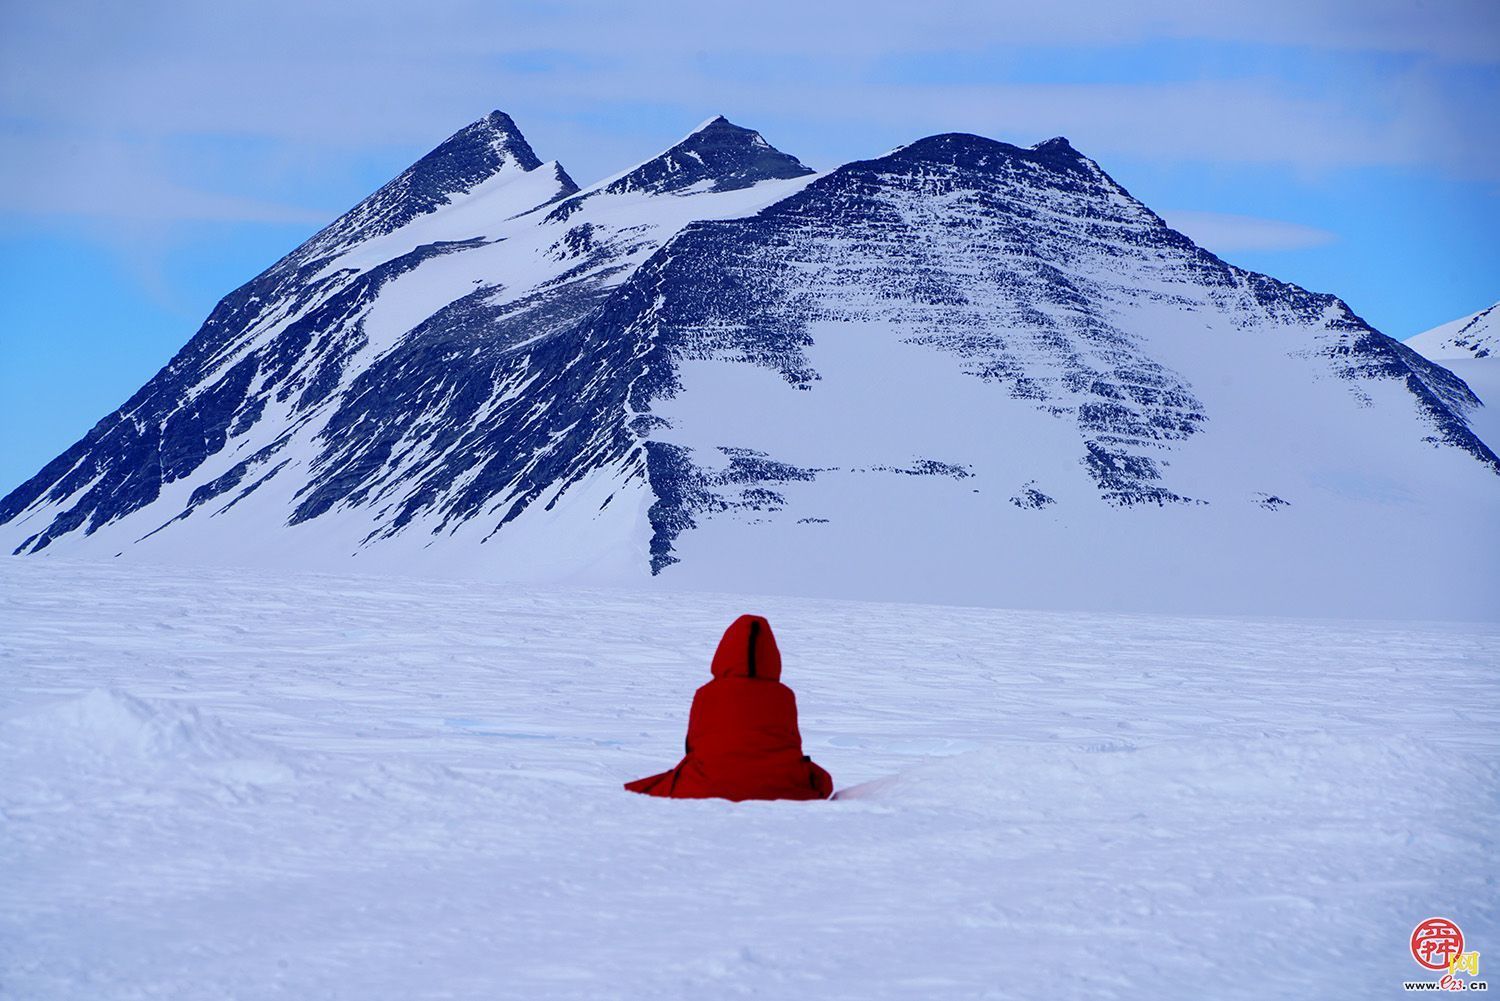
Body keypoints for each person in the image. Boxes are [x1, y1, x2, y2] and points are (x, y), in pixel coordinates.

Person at [625, 614, 833, 801]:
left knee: (649, 787)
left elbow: (692, 745)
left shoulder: (706, 693)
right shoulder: (784, 695)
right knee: (820, 780)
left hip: (705, 785)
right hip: (780, 786)